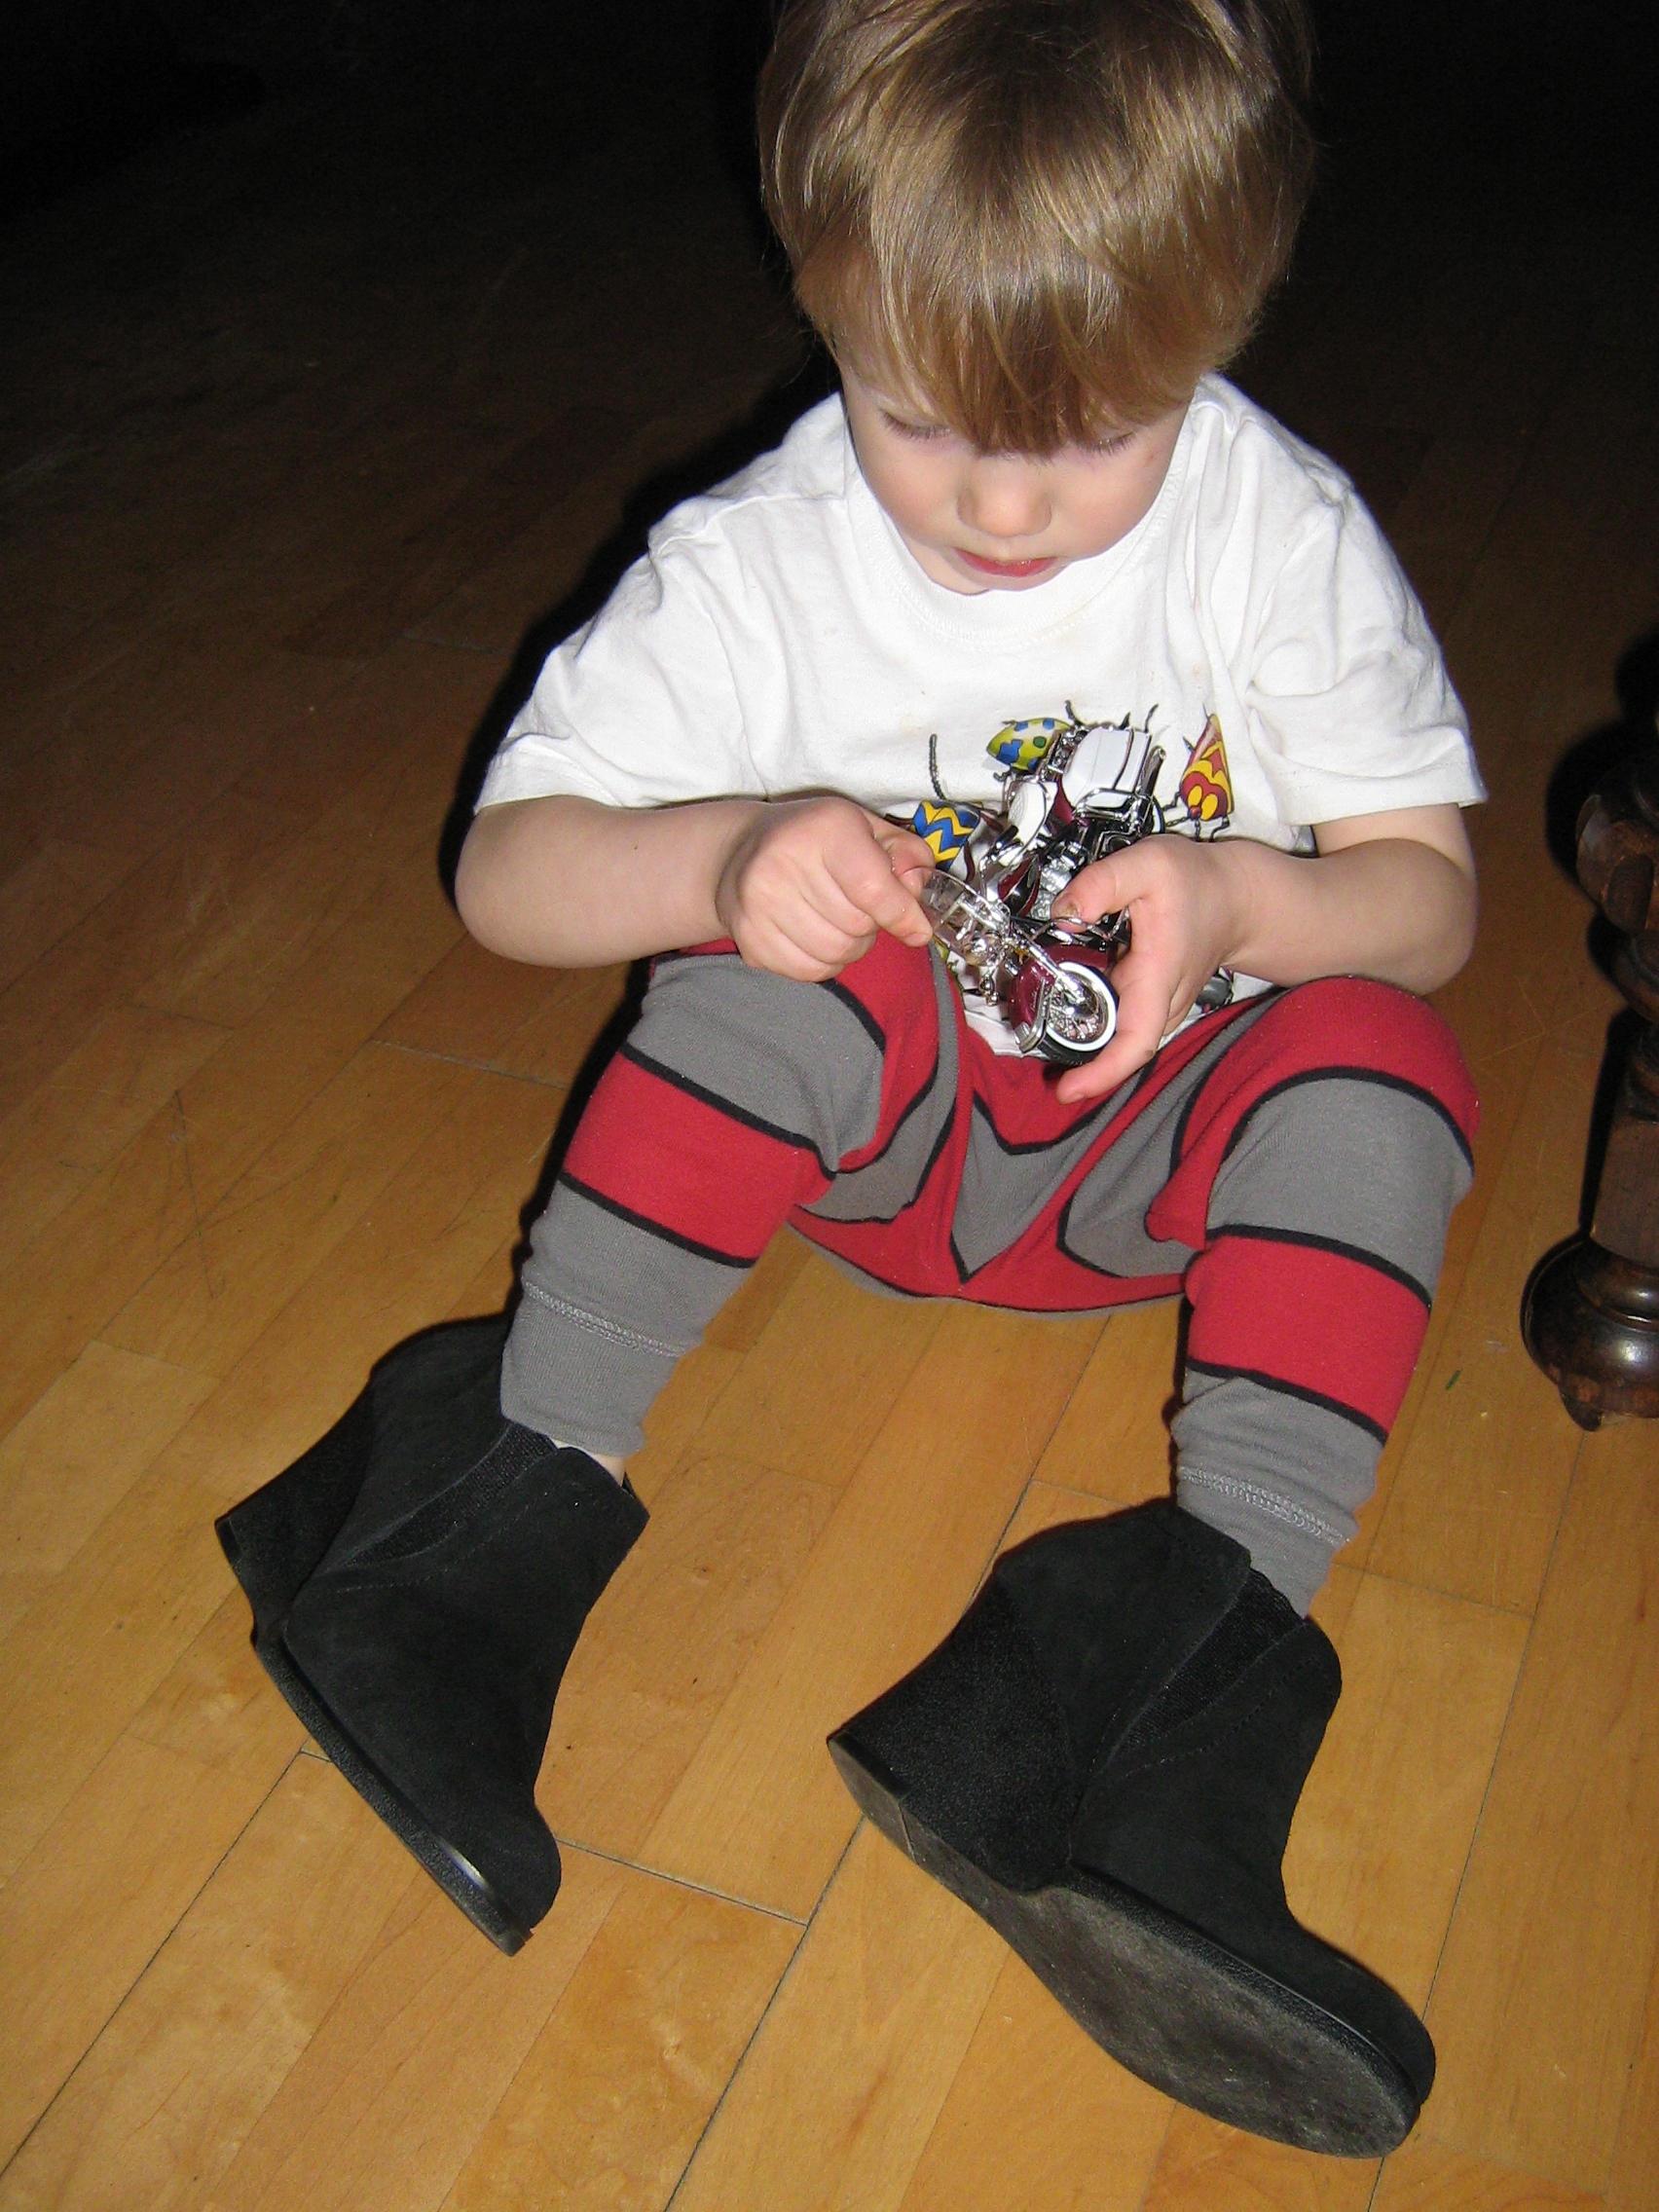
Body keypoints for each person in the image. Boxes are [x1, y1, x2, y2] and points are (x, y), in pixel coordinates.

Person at [215, 0, 1483, 2159]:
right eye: (916, 415)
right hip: (875, 1144)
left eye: (1098, 436)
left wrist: (1251, 902)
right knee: (786, 961)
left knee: (1387, 1058)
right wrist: (723, 856)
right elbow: (505, 875)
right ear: (818, 289)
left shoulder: (1277, 531)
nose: (1002, 501)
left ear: (1222, 322)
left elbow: (1428, 899)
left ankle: (1156, 1679)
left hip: (1150, 1162)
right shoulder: (760, 561)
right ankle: (495, 1487)